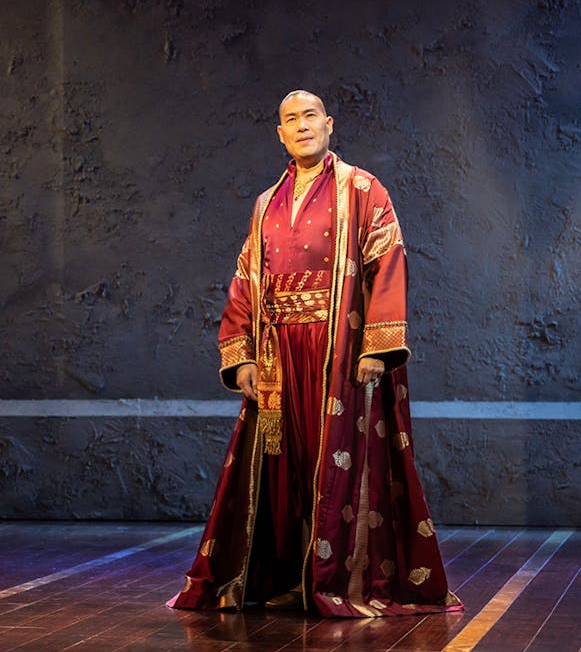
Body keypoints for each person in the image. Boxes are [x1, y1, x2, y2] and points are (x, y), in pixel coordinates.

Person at [168, 90, 461, 617]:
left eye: (310, 116)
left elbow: (388, 262)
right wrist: (243, 355)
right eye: (291, 120)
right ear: (280, 134)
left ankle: (340, 579)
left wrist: (376, 346)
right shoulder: (265, 204)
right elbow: (246, 279)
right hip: (279, 355)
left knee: (338, 467)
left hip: (339, 350)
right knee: (285, 469)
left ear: (329, 124)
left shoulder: (362, 189)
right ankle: (290, 579)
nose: (302, 125)